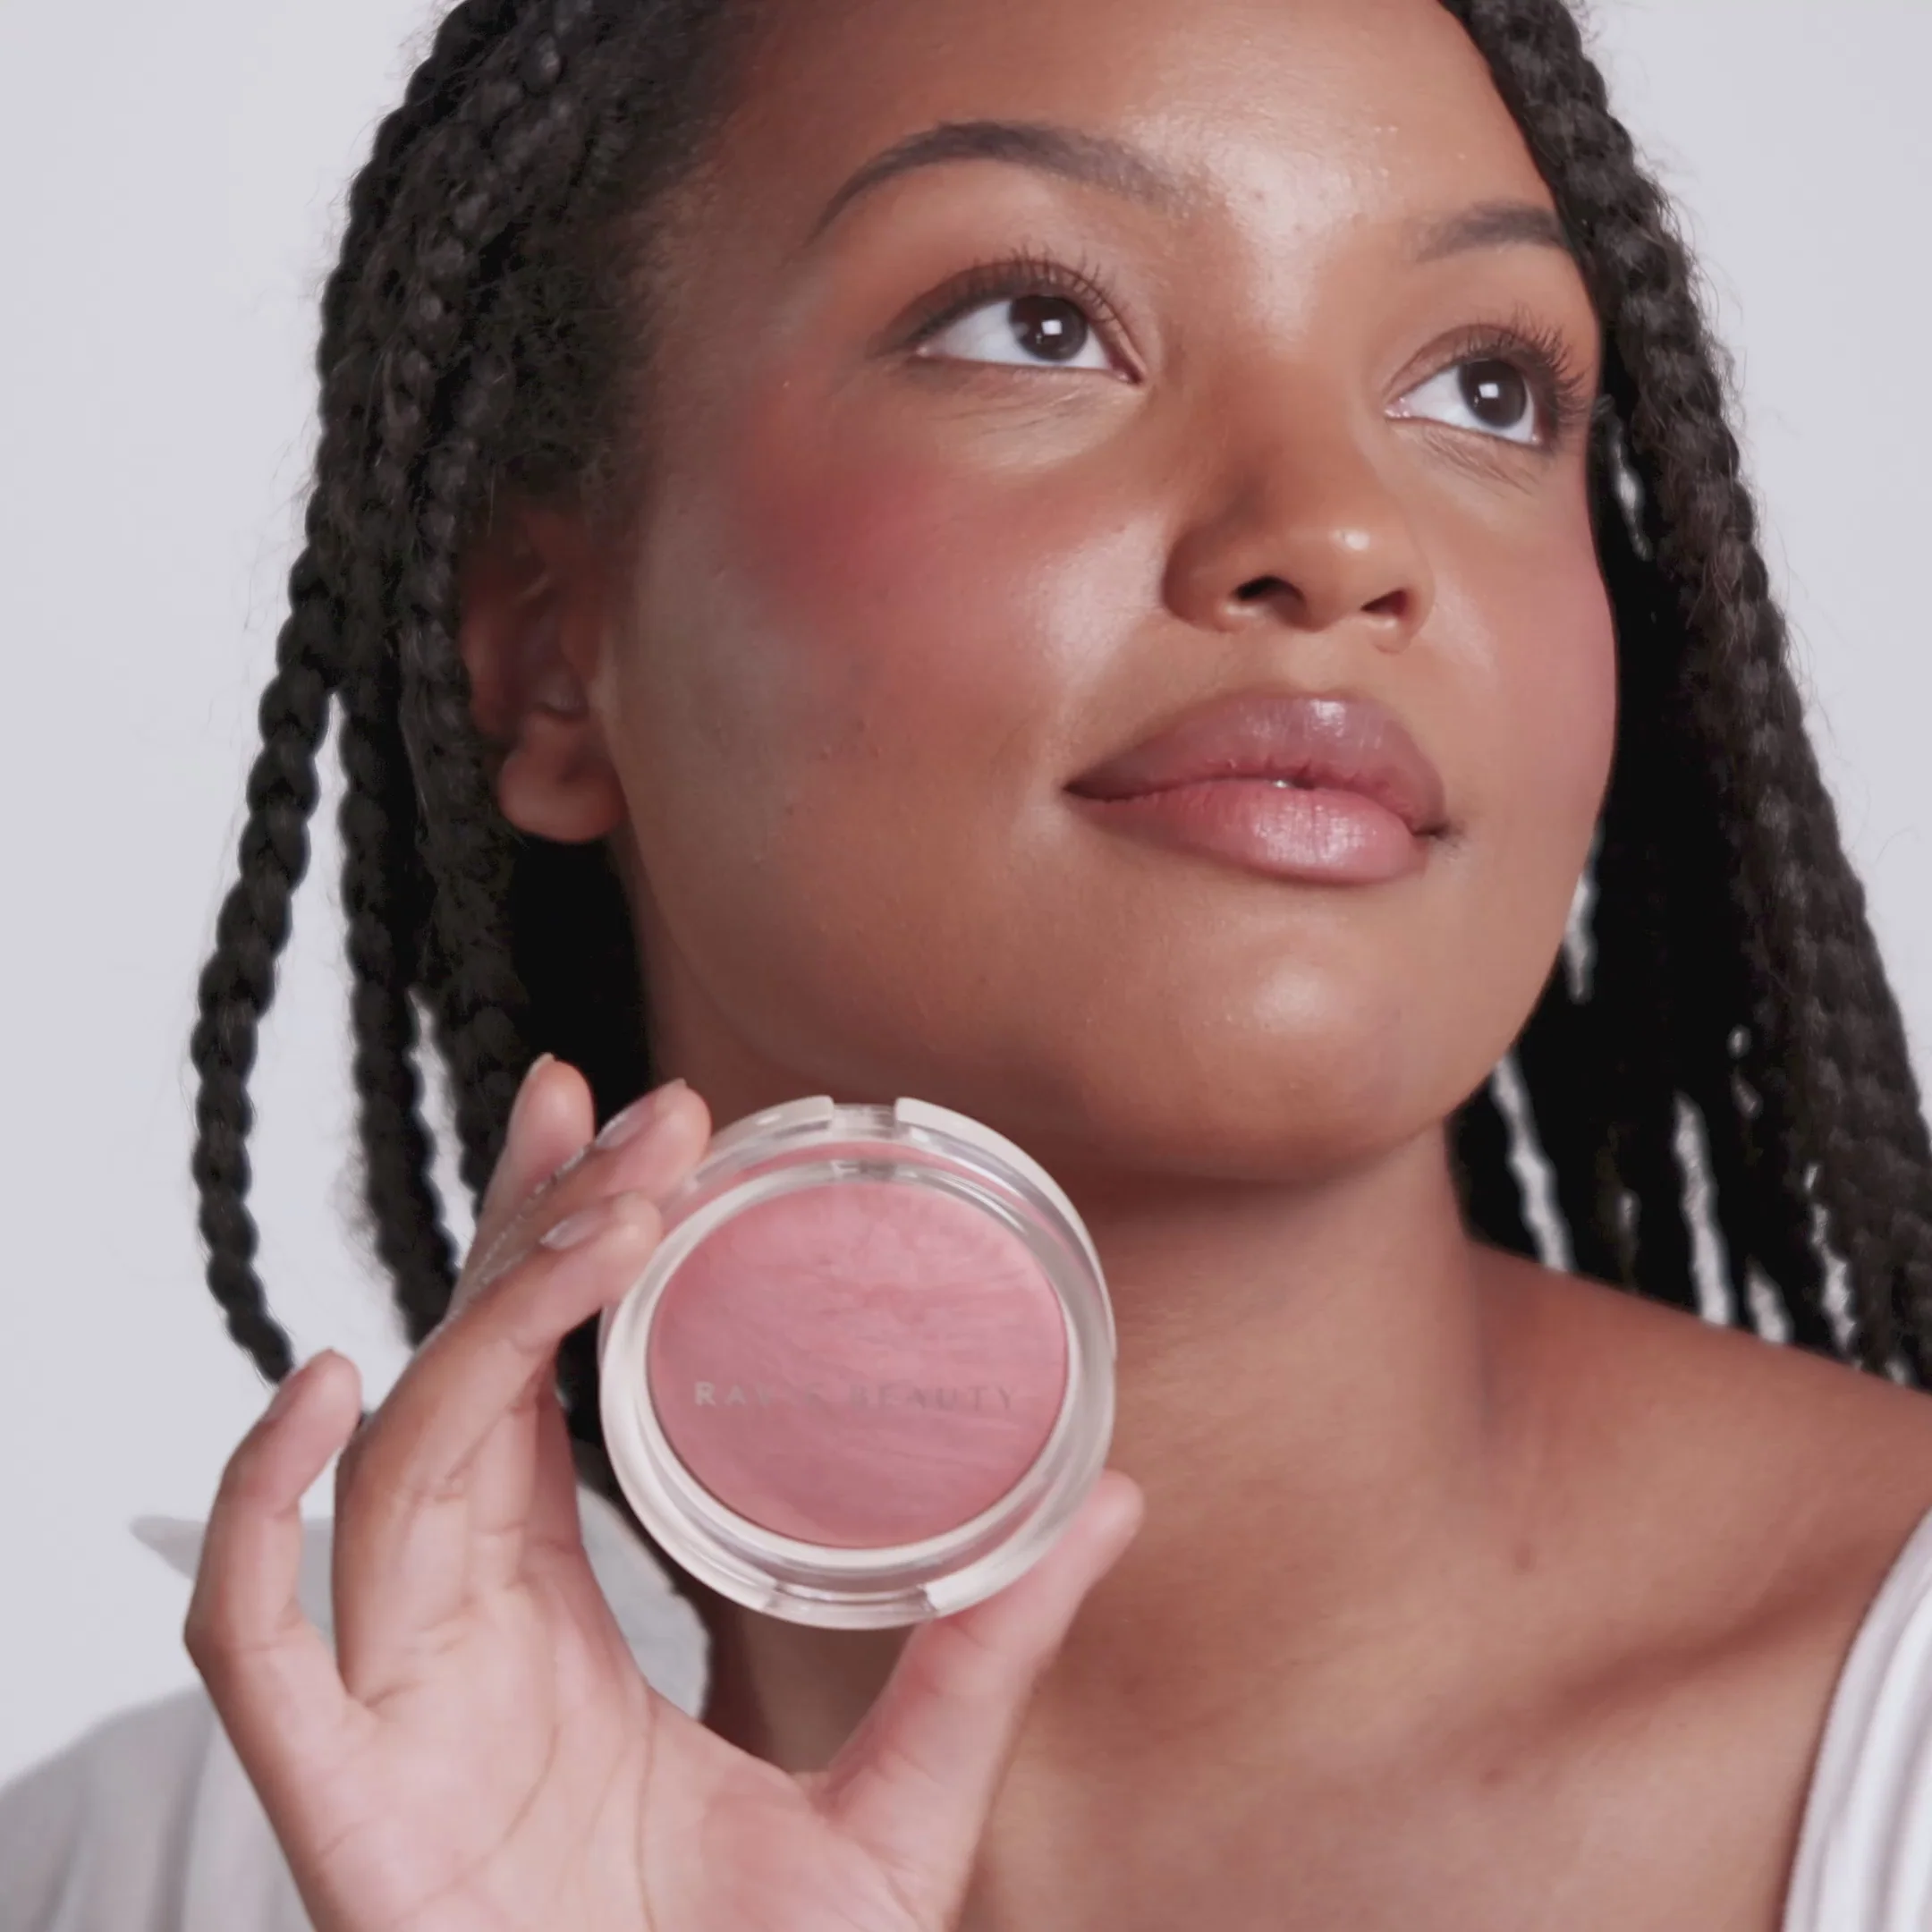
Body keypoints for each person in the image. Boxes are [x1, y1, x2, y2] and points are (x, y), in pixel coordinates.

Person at [6, 0, 1932, 1924]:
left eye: (1488, 387)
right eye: (1036, 325)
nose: (1340, 530)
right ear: (547, 652)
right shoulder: (147, 1873)